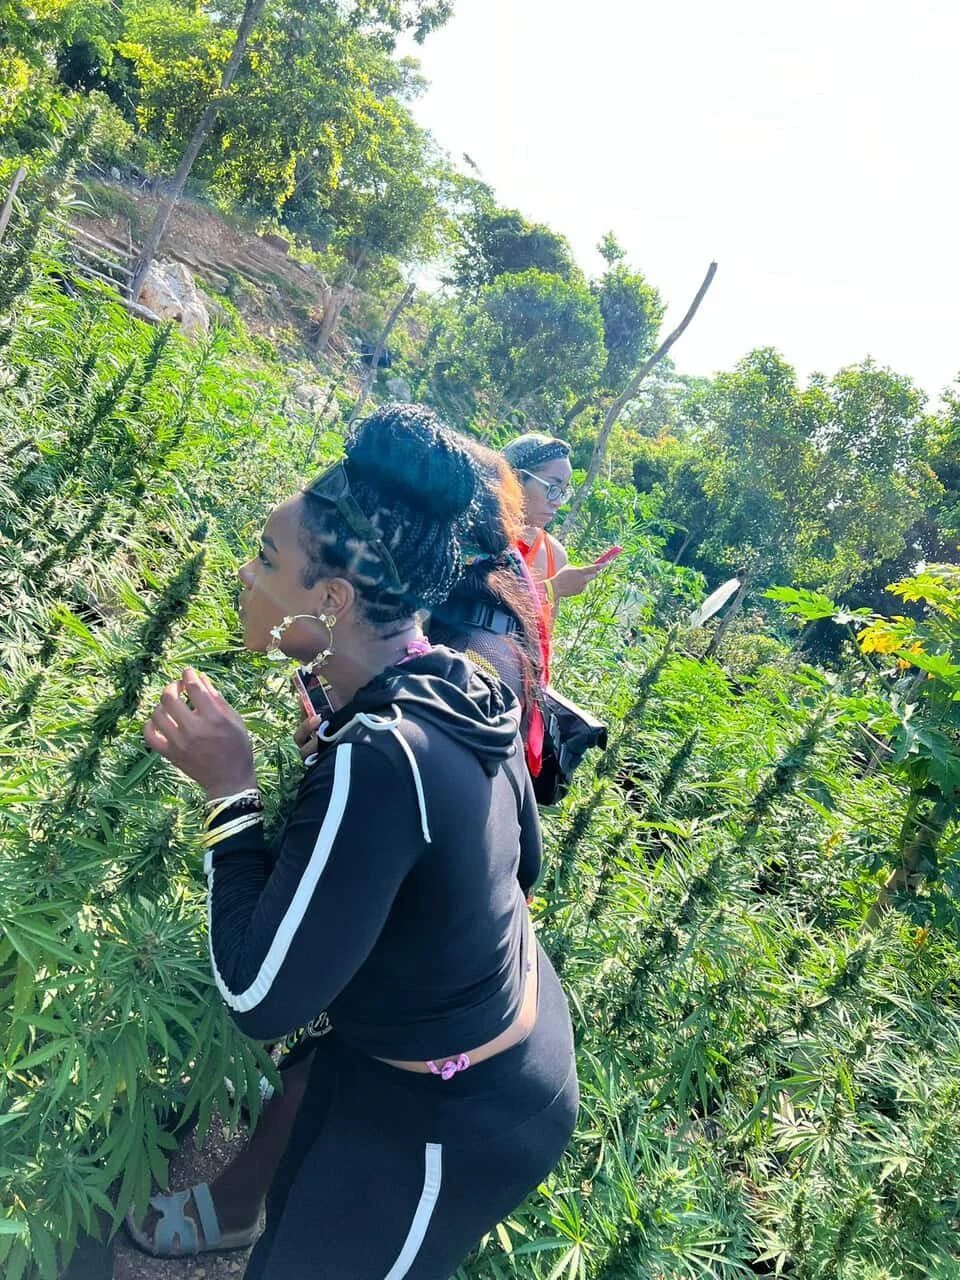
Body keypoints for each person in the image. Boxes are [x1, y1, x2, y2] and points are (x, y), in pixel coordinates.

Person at [132, 404, 579, 1279]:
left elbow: (260, 998)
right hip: (468, 1033)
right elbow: (525, 856)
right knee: (292, 1219)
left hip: (464, 1110)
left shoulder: (384, 756)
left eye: (266, 561)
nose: (244, 572)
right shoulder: (454, 681)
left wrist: (231, 789)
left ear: (330, 600)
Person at [500, 433, 604, 630]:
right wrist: (551, 589)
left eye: (563, 492)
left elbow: (542, 637)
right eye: (552, 487)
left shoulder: (554, 555)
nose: (557, 502)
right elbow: (469, 601)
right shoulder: (475, 530)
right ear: (515, 478)